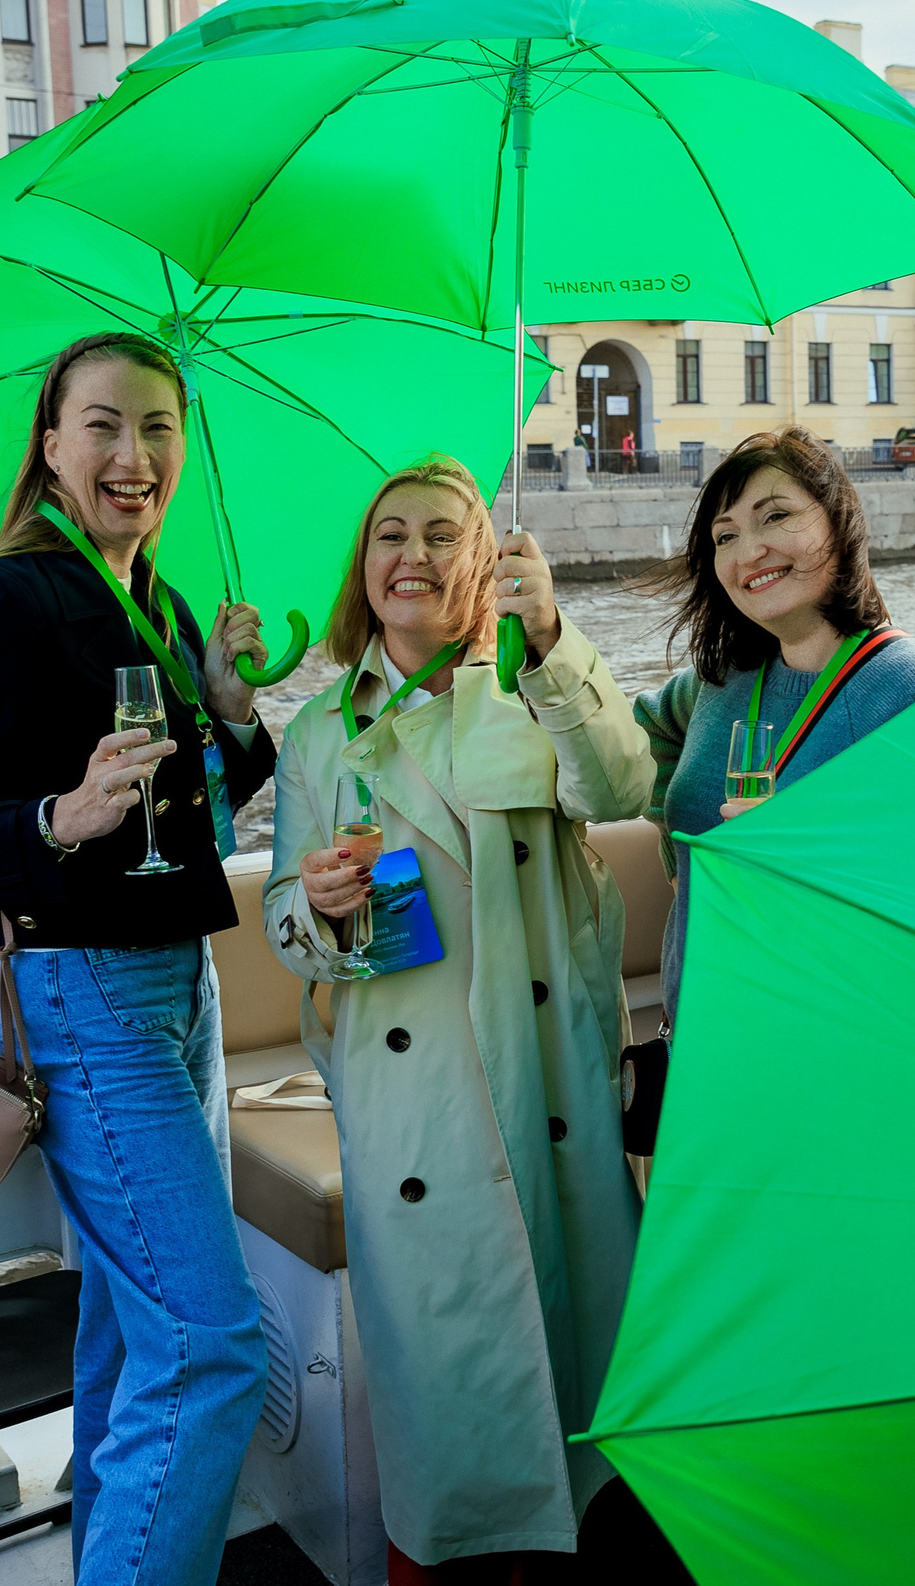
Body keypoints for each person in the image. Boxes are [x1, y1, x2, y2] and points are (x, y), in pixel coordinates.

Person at [0, 331, 274, 1586]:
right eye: (104, 425)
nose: (135, 455)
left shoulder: (157, 601)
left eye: (159, 428)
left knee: (131, 1321)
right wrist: (58, 821)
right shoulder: (3, 601)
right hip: (85, 992)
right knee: (211, 1340)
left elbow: (199, 808)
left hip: (179, 982)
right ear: (51, 447)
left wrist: (222, 707)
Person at [263, 456, 653, 1582]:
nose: (414, 556)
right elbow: (287, 925)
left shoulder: (531, 686)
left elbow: (619, 788)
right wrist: (319, 907)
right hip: (411, 1096)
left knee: (574, 1342)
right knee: (445, 1372)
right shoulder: (319, 738)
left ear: (483, 563)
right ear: (363, 567)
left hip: (545, 1080)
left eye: (443, 534)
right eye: (392, 535)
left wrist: (556, 638)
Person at [633, 428, 915, 1026]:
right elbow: (647, 730)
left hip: (831, 1041)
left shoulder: (912, 687)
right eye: (724, 536)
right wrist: (676, 845)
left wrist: (808, 857)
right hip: (704, 1036)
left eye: (775, 516)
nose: (747, 550)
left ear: (838, 524)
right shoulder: (723, 679)